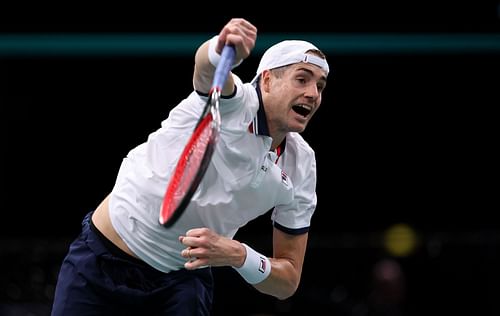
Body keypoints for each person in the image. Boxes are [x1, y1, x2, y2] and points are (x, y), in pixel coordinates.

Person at [51, 18, 329, 316]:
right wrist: (217, 48)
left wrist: (239, 254)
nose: (313, 93)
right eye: (302, 79)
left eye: (320, 86)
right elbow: (206, 70)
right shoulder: (232, 103)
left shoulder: (302, 165)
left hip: (180, 282)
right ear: (267, 81)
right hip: (101, 263)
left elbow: (287, 281)